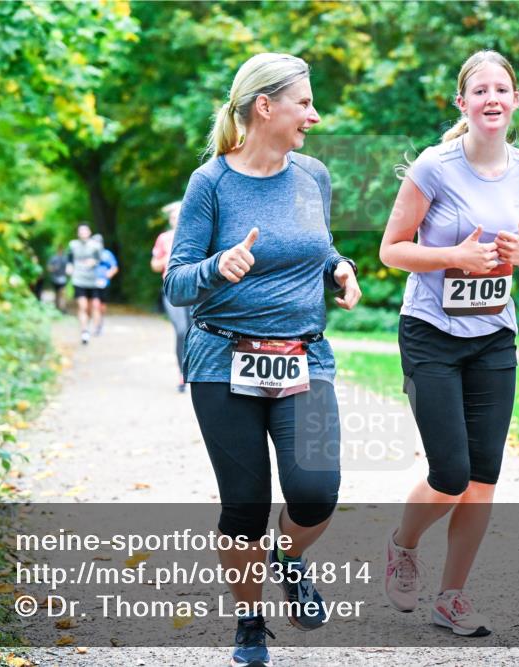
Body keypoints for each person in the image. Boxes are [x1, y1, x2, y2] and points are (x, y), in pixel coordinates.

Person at [163, 52, 361, 667]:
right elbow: (175, 283)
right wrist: (216, 267)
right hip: (223, 359)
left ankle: (290, 558)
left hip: (305, 355)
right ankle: (250, 621)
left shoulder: (314, 176)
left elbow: (319, 246)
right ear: (264, 107)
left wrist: (340, 268)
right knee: (245, 506)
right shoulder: (211, 183)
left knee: (315, 492)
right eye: (304, 103)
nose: (314, 114)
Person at [378, 50, 519, 636]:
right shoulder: (434, 167)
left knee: (483, 477)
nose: (492, 99)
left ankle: (452, 596)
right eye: (480, 91)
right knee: (450, 473)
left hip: (494, 337)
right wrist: (453, 256)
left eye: (502, 89)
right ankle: (403, 544)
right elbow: (392, 249)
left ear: (517, 99)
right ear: (462, 103)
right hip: (430, 332)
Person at [151, 201, 192, 392]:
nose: (176, 219)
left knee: (195, 331)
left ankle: (197, 372)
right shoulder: (164, 238)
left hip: (193, 289)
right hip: (172, 289)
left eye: (179, 215)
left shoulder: (194, 235)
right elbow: (154, 265)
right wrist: (165, 260)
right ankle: (182, 374)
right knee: (181, 331)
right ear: (170, 220)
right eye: (173, 217)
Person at [66, 223, 102, 345]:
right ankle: (84, 331)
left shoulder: (95, 246)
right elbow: (69, 259)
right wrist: (69, 267)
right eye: (80, 231)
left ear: (89, 232)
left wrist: (94, 262)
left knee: (92, 307)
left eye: (85, 231)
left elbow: (101, 260)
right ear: (78, 233)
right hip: (79, 279)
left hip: (92, 280)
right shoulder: (73, 245)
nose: (83, 233)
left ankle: (91, 324)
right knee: (83, 306)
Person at [92, 235, 118, 336]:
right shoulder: (90, 254)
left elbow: (114, 267)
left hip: (104, 283)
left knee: (102, 306)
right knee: (95, 305)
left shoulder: (107, 254)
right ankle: (96, 327)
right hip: (92, 283)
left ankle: (100, 323)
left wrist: (109, 274)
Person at [46, 246, 69, 312]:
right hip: (55, 278)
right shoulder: (53, 258)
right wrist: (54, 268)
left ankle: (63, 308)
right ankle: (56, 307)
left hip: (63, 278)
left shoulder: (65, 259)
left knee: (63, 293)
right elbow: (48, 268)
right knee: (56, 294)